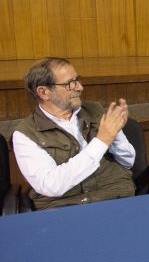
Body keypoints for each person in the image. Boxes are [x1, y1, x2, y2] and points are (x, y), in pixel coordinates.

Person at [12, 57, 136, 210]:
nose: (79, 87)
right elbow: (51, 185)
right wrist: (102, 140)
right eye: (70, 83)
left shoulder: (96, 111)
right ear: (44, 92)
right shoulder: (25, 134)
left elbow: (128, 161)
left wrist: (114, 135)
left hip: (114, 198)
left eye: (77, 79)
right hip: (66, 208)